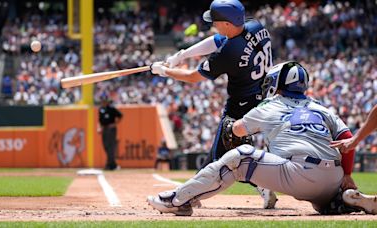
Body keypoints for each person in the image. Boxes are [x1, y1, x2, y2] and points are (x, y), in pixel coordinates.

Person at [147, 61, 377, 216]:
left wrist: (230, 124)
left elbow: (236, 131)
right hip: (333, 176)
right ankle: (344, 199)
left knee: (241, 157)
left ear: (276, 84)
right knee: (323, 203)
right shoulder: (322, 108)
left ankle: (178, 201)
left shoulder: (270, 105)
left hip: (297, 173)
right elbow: (347, 137)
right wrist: (346, 174)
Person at [151, 0, 276, 209]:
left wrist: (165, 71)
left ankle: (185, 198)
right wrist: (182, 54)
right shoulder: (255, 26)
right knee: (230, 152)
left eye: (216, 21)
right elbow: (218, 40)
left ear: (227, 23)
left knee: (221, 157)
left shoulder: (229, 53)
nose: (213, 25)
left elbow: (193, 76)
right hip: (265, 98)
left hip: (240, 105)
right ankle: (259, 185)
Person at [98, 94, 123, 170]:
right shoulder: (101, 109)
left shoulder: (111, 109)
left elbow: (120, 116)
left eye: (104, 101)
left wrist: (114, 124)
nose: (103, 102)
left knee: (111, 147)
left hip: (111, 130)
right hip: (104, 129)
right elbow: (99, 120)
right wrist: (99, 128)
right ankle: (112, 164)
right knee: (105, 146)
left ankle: (110, 165)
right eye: (102, 101)